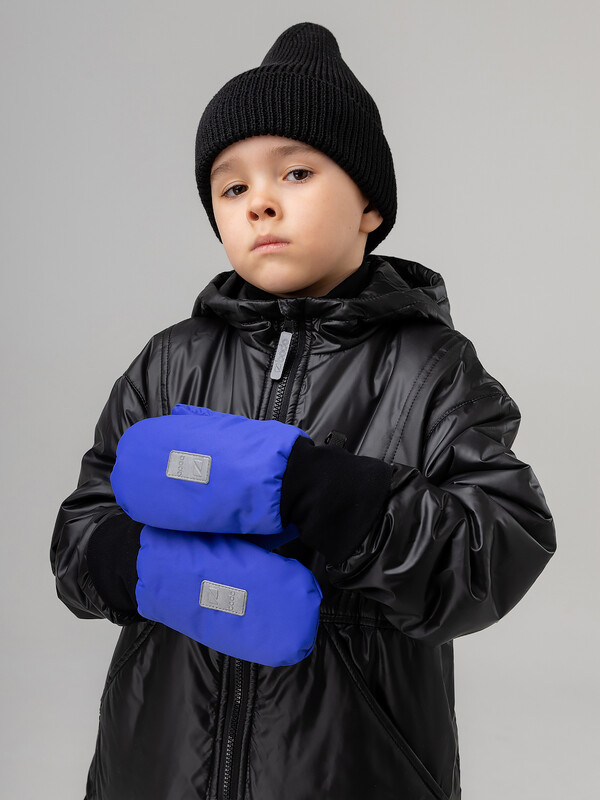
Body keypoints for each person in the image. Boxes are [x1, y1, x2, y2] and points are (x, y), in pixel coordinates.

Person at [50, 21, 556, 800]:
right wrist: (128, 564)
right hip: (157, 766)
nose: (260, 203)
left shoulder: (430, 369)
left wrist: (339, 498)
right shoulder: (171, 361)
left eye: (295, 173)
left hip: (350, 769)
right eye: (233, 187)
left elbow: (500, 548)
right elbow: (80, 531)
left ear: (369, 206)